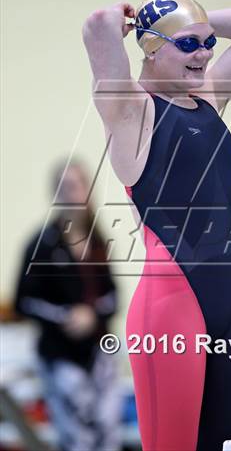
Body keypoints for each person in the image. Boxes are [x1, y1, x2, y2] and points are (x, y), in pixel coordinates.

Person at [82, 0, 231, 451]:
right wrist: (125, 18)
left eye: (209, 42)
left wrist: (193, 20)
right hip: (171, 310)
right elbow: (96, 26)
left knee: (226, 445)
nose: (206, 53)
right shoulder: (132, 111)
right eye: (188, 45)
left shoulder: (209, 97)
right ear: (152, 48)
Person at [14, 160, 121, 451]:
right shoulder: (42, 245)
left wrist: (92, 314)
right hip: (60, 357)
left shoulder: (98, 242)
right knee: (77, 441)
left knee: (108, 437)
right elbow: (23, 301)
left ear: (88, 190)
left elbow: (113, 297)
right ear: (55, 194)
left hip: (99, 355)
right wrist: (67, 317)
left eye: (76, 185)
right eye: (64, 187)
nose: (71, 193)